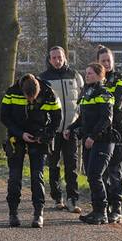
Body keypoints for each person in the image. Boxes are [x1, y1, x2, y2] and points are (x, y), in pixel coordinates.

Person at [0, 74, 62, 228]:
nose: (31, 102)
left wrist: (45, 136)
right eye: (28, 99)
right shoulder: (12, 91)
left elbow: (57, 119)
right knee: (14, 176)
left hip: (38, 137)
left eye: (34, 99)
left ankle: (38, 213)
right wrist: (21, 134)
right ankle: (13, 213)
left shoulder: (49, 93)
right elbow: (4, 117)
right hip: (17, 136)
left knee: (37, 176)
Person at [66, 62, 115, 224]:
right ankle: (96, 210)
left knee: (95, 175)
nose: (87, 75)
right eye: (86, 73)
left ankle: (102, 212)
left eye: (91, 73)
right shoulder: (87, 93)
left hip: (102, 141)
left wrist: (93, 137)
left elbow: (106, 119)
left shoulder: (104, 93)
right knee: (91, 176)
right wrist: (71, 128)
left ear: (101, 75)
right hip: (88, 141)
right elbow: (82, 119)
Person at [39, 46, 83, 213]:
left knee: (71, 165)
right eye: (54, 58)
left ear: (65, 58)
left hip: (71, 129)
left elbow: (82, 101)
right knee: (53, 165)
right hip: (53, 130)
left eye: (60, 57)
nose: (57, 60)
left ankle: (73, 199)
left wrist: (77, 125)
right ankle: (58, 197)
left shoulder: (75, 76)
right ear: (49, 60)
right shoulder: (43, 79)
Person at [96, 46, 122, 224]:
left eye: (109, 60)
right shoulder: (94, 82)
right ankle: (103, 205)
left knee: (115, 169)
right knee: (101, 171)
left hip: (116, 131)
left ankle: (117, 208)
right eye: (103, 61)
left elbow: (116, 101)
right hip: (100, 132)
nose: (107, 64)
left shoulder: (121, 79)